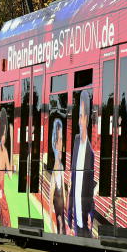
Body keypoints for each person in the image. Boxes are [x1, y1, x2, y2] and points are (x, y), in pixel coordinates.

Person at [69, 90, 95, 237]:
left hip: (85, 225)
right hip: (75, 225)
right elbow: (72, 184)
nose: (79, 121)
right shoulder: (76, 141)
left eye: (81, 117)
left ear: (87, 119)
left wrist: (91, 215)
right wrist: (69, 219)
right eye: (79, 116)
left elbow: (90, 193)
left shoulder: (91, 153)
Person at [0, 107, 13, 227]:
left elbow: (10, 175)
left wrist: (12, 140)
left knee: (4, 213)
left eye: (5, 134)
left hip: (0, 189)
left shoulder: (4, 151)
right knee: (2, 212)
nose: (4, 137)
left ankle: (6, 226)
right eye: (3, 134)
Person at [49, 118, 67, 233]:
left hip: (60, 203)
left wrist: (65, 202)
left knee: (62, 225)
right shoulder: (56, 165)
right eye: (60, 140)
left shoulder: (60, 164)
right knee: (60, 225)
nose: (62, 143)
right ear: (55, 143)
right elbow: (51, 192)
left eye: (62, 139)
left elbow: (62, 189)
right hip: (57, 204)